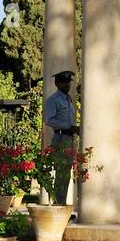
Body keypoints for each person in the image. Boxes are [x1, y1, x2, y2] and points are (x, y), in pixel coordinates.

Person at [42, 69, 78, 204]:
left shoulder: (69, 100)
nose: (67, 85)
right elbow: (48, 120)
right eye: (64, 82)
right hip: (60, 138)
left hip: (69, 138)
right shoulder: (53, 100)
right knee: (60, 174)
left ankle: (62, 204)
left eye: (68, 82)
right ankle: (58, 204)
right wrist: (69, 127)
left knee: (66, 174)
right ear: (57, 84)